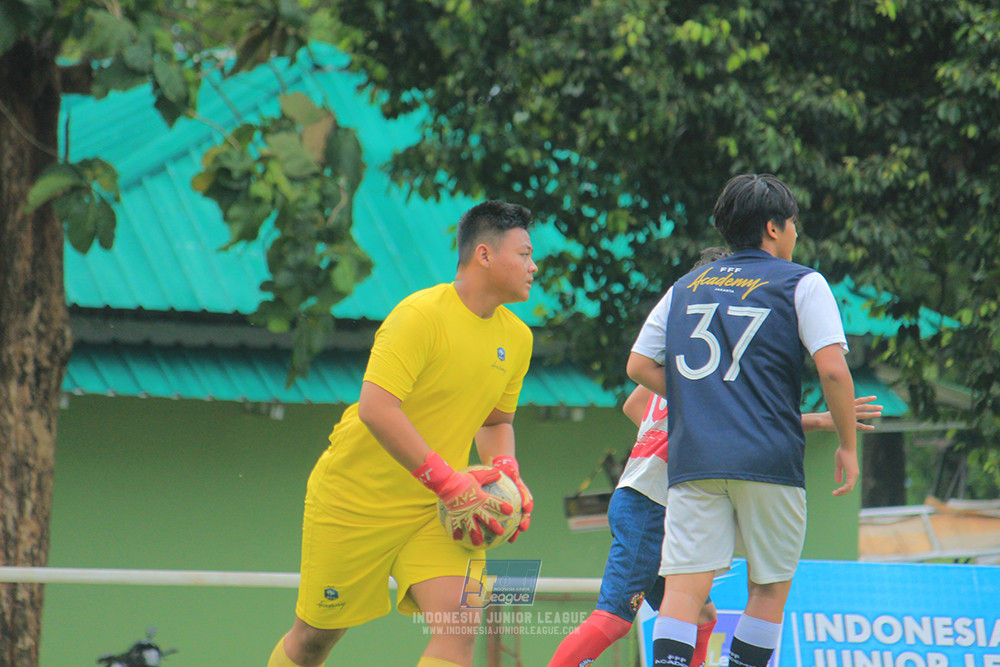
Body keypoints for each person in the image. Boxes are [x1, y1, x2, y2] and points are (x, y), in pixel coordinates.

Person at [549, 248, 880, 667]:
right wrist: (818, 421)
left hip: (659, 497)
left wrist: (675, 432)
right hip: (648, 502)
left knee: (701, 613)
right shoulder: (711, 365)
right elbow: (747, 420)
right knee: (615, 616)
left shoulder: (681, 361)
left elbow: (634, 404)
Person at [267, 200, 538, 667]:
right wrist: (450, 482)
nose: (534, 267)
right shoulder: (418, 315)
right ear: (484, 255)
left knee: (459, 628)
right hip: (355, 499)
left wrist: (505, 473)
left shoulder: (518, 338)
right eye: (524, 254)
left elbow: (495, 421)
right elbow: (376, 408)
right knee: (314, 639)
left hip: (438, 509)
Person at [627, 174, 859, 667]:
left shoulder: (684, 286)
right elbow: (834, 370)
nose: (795, 233)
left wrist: (706, 397)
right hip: (768, 459)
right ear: (773, 228)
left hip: (695, 460)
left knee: (684, 591)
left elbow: (638, 366)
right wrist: (847, 444)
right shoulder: (801, 281)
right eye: (793, 223)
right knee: (769, 588)